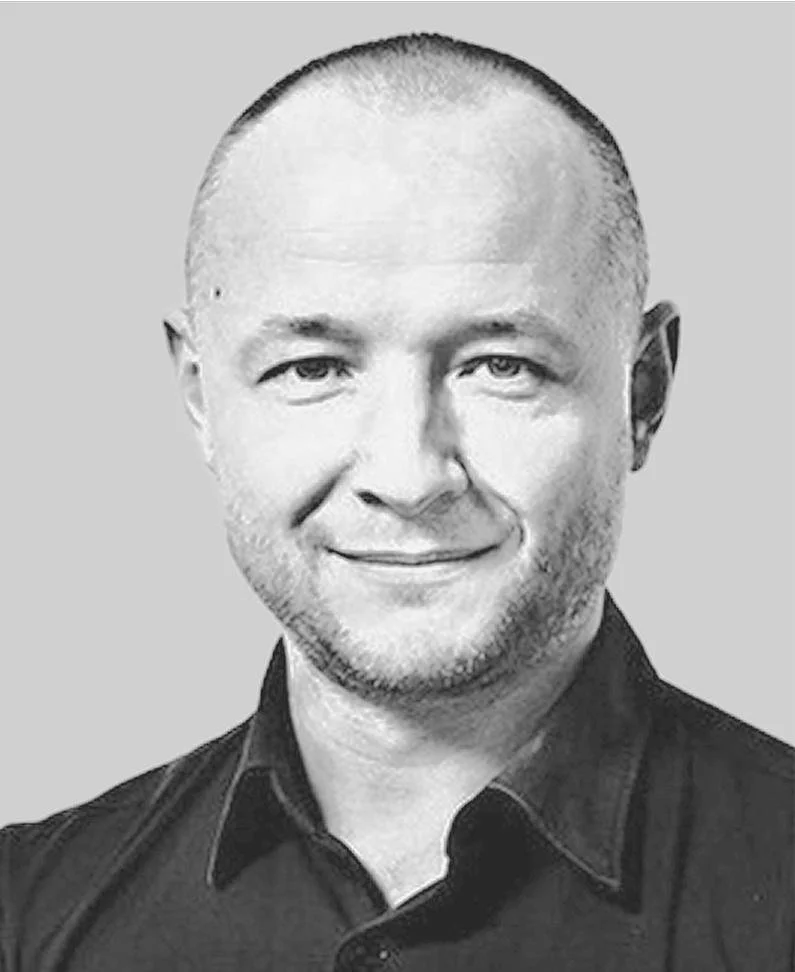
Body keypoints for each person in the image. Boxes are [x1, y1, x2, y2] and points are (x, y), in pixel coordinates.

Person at [0, 32, 791, 972]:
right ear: (200, 400)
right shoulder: (25, 914)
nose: (410, 475)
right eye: (313, 368)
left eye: (502, 366)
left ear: (643, 394)